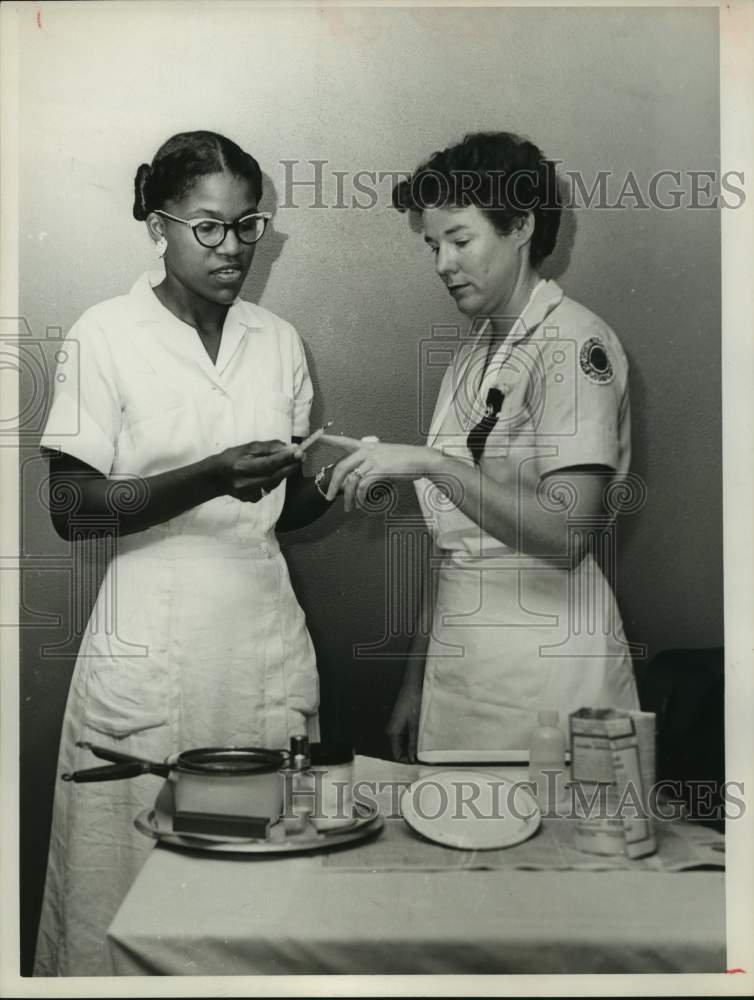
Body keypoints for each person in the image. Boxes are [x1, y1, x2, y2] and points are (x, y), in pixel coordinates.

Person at [34, 131, 332, 976]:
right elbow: (69, 509)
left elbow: (279, 509)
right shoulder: (107, 333)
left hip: (260, 650)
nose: (233, 248)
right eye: (208, 228)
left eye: (249, 226)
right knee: (127, 907)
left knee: (259, 913)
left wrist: (333, 489)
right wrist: (208, 477)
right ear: (157, 226)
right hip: (150, 661)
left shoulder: (277, 340)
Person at [323, 131, 640, 762]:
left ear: (520, 225)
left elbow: (570, 531)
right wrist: (417, 683)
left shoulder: (573, 345)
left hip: (548, 679)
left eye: (460, 240)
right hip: (463, 679)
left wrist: (430, 462)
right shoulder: (472, 357)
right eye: (432, 245)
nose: (442, 263)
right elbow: (451, 549)